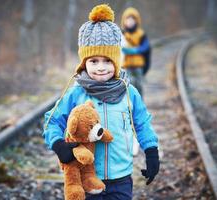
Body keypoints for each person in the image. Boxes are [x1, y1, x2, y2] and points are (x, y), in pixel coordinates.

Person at [43, 4, 159, 200]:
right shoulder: (76, 93)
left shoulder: (129, 92)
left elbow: (142, 123)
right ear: (83, 63)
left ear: (116, 61)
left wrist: (151, 151)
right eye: (93, 61)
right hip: (86, 176)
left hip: (121, 177)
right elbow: (51, 121)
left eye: (107, 61)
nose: (101, 67)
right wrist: (58, 145)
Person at [121, 7, 151, 96]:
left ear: (137, 21)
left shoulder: (141, 34)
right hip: (126, 65)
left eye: (132, 19)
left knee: (139, 84)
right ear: (124, 21)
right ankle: (129, 104)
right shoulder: (122, 33)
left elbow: (145, 47)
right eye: (128, 19)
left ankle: (140, 102)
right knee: (127, 85)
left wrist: (135, 50)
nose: (130, 22)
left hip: (138, 64)